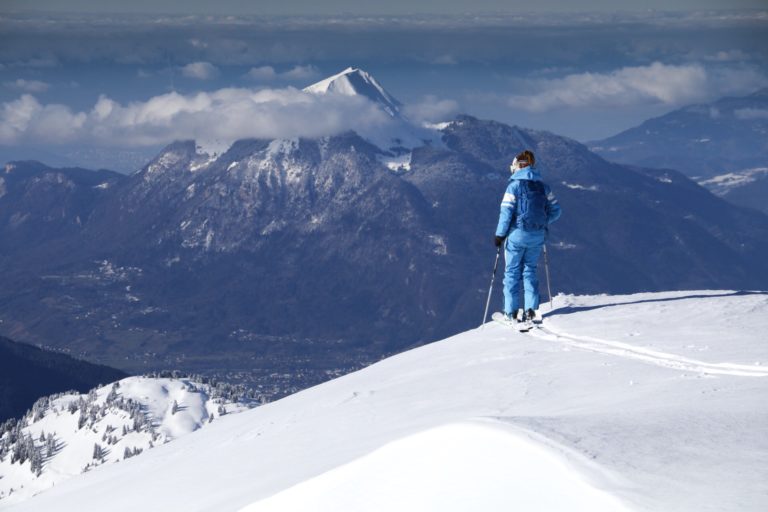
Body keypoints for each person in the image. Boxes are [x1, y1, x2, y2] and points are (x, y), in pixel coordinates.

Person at [494, 150, 561, 325]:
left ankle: (511, 312)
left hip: (517, 235)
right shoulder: (543, 187)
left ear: (516, 166)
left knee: (512, 272)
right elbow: (556, 211)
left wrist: (500, 235)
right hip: (537, 235)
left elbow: (506, 213)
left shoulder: (513, 187)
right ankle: (532, 310)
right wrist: (544, 222)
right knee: (530, 270)